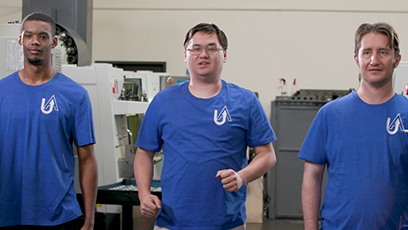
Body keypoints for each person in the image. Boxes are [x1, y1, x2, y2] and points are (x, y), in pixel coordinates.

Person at [133, 23, 277, 230]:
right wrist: (144, 194)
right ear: (185, 55)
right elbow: (144, 153)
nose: (203, 54)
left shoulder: (245, 101)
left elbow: (267, 155)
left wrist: (241, 176)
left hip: (227, 222)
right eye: (195, 48)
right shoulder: (164, 101)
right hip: (172, 222)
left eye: (211, 48)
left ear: (225, 55)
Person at [299, 22, 408, 229]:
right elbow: (312, 175)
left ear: (397, 60)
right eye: (367, 53)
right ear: (357, 59)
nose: (374, 60)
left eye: (383, 52)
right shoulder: (330, 114)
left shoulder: (406, 113)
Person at [0, 12, 98, 229]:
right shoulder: (1, 91)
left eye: (43, 36)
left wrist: (89, 220)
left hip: (58, 216)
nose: (35, 41)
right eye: (28, 36)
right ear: (20, 40)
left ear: (54, 42)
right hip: (7, 212)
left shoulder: (75, 95)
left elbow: (87, 160)